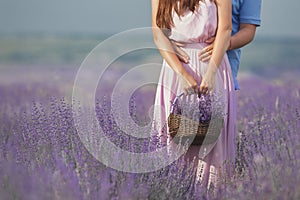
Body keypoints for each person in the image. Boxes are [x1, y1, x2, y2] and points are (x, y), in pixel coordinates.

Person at [151, 0, 236, 189]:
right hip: (175, 68)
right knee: (173, 137)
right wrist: (182, 73)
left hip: (211, 64)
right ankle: (173, 190)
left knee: (213, 141)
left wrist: (212, 72)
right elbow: (158, 32)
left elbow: (225, 29)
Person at [173, 0, 262, 90]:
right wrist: (169, 45)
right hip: (182, 67)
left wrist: (224, 44)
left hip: (224, 69)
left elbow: (248, 30)